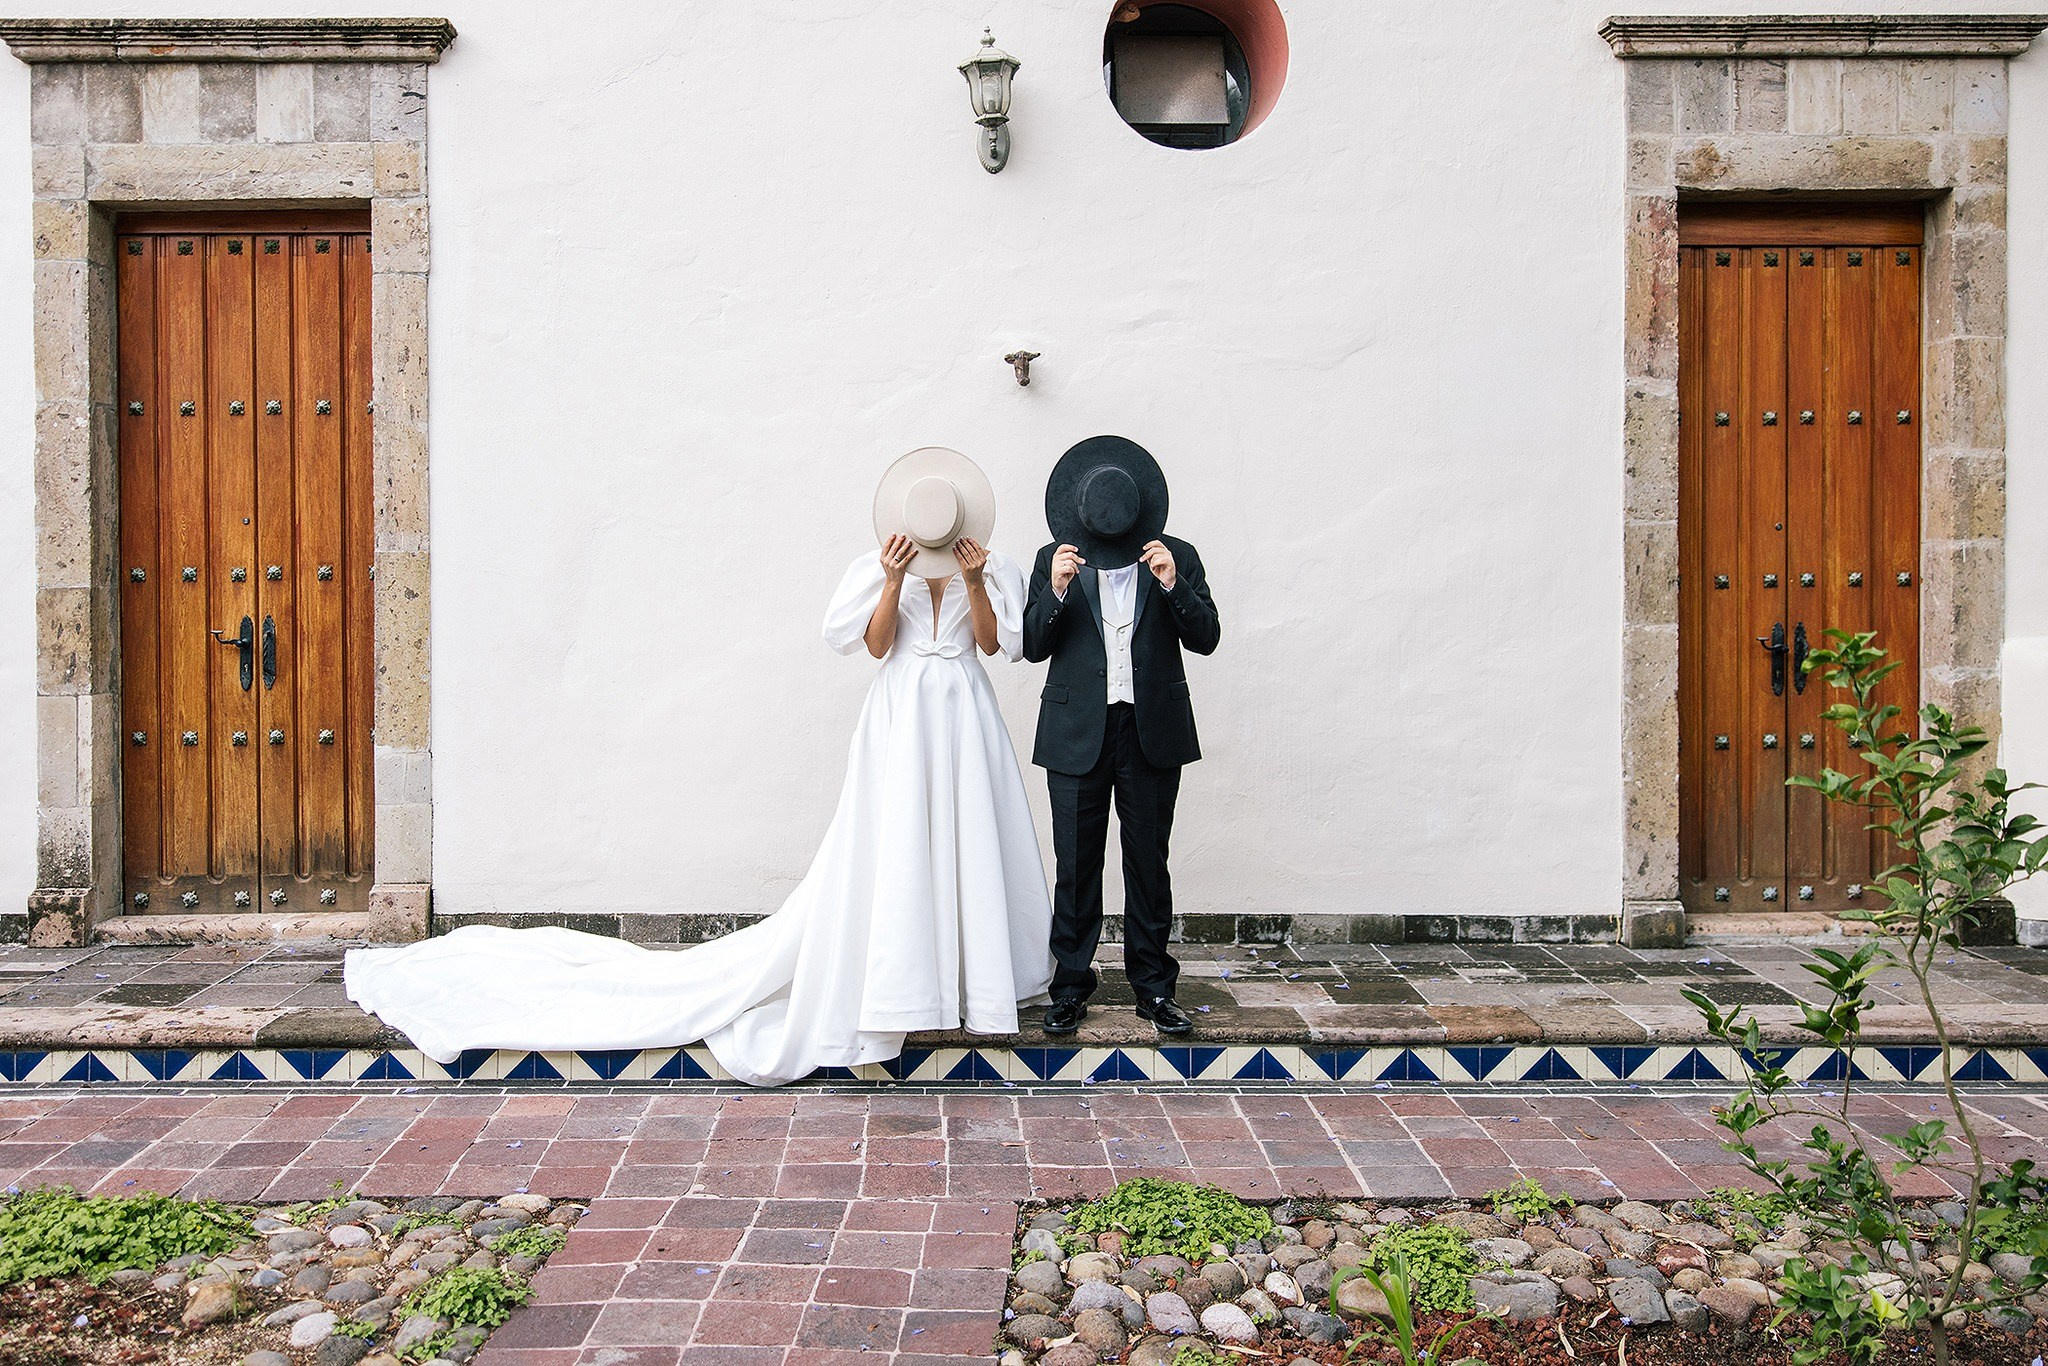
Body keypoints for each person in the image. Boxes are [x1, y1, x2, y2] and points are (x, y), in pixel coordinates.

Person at [345, 447, 1054, 1086]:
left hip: (964, 711)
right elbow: (873, 648)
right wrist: (893, 578)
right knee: (894, 845)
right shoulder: (875, 564)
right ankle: (900, 983)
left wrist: (974, 580)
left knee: (965, 838)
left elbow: (993, 647)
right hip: (900, 718)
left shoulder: (989, 565)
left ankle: (963, 980)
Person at [1023, 435, 1219, 1038]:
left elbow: (1207, 636)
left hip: (1151, 729)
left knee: (1148, 864)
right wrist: (1055, 592)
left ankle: (1155, 990)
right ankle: (1070, 989)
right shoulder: (1054, 559)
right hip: (1077, 729)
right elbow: (1032, 647)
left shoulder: (1175, 555)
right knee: (1075, 866)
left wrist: (1170, 583)